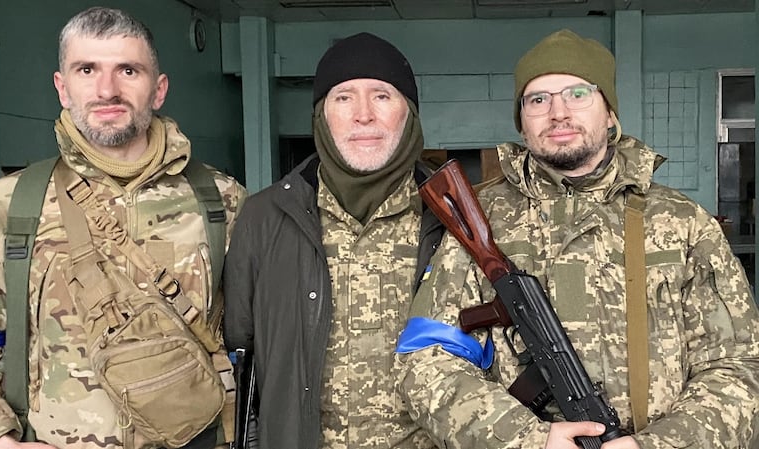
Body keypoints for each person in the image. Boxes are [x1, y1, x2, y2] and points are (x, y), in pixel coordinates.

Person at [396, 29, 759, 448]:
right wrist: (528, 439)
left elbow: (740, 367)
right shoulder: (481, 219)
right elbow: (425, 361)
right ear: (522, 122)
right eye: (538, 99)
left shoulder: (683, 222)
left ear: (610, 112)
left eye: (578, 94)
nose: (558, 112)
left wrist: (659, 444)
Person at [0, 7, 246, 449]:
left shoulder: (224, 202)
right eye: (87, 69)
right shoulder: (6, 206)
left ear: (159, 89)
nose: (107, 89)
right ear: (62, 87)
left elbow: (261, 346)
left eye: (128, 70)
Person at [224, 32, 445, 449]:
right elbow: (240, 343)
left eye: (382, 96)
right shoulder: (263, 217)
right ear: (321, 116)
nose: (363, 115)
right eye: (343, 98)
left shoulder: (452, 217)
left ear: (409, 112)